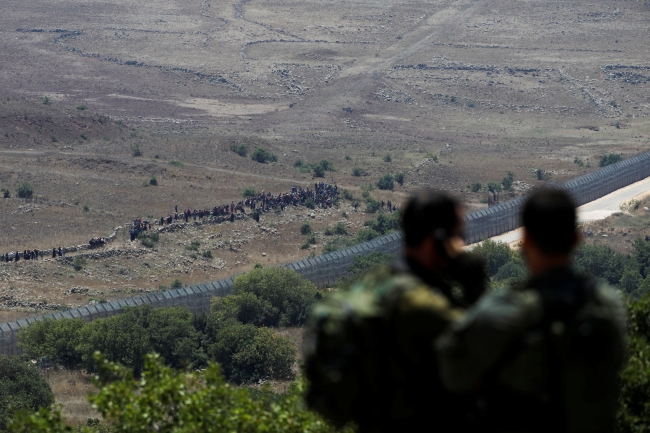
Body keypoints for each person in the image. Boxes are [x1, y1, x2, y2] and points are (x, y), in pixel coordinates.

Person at [437, 188, 627, 433]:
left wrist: (470, 289)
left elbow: (452, 371)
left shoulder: (510, 312)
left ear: (525, 241)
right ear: (576, 239)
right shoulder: (608, 305)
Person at [304, 190, 486, 433]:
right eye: (458, 235)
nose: (462, 244)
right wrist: (475, 291)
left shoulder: (375, 282)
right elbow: (485, 355)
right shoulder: (422, 305)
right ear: (440, 239)